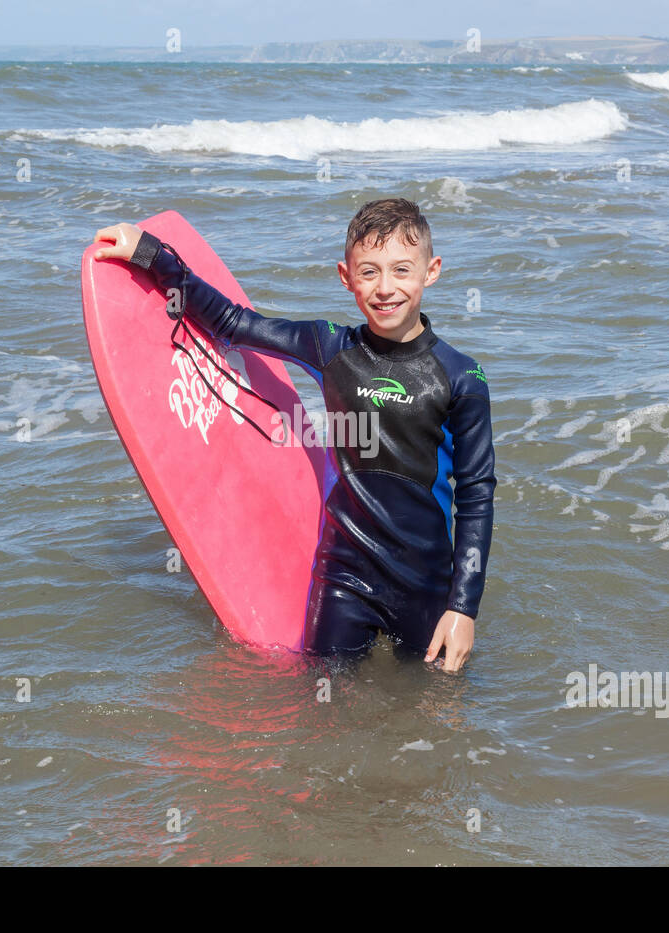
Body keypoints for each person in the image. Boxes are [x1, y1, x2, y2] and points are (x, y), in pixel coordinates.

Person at [94, 198, 495, 671]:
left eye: (401, 271)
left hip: (424, 580)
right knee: (322, 706)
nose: (385, 288)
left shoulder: (462, 377)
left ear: (431, 271)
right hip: (345, 573)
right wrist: (153, 254)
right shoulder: (329, 346)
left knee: (432, 711)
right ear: (346, 278)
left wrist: (463, 607)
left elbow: (476, 496)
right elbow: (231, 322)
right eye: (368, 273)